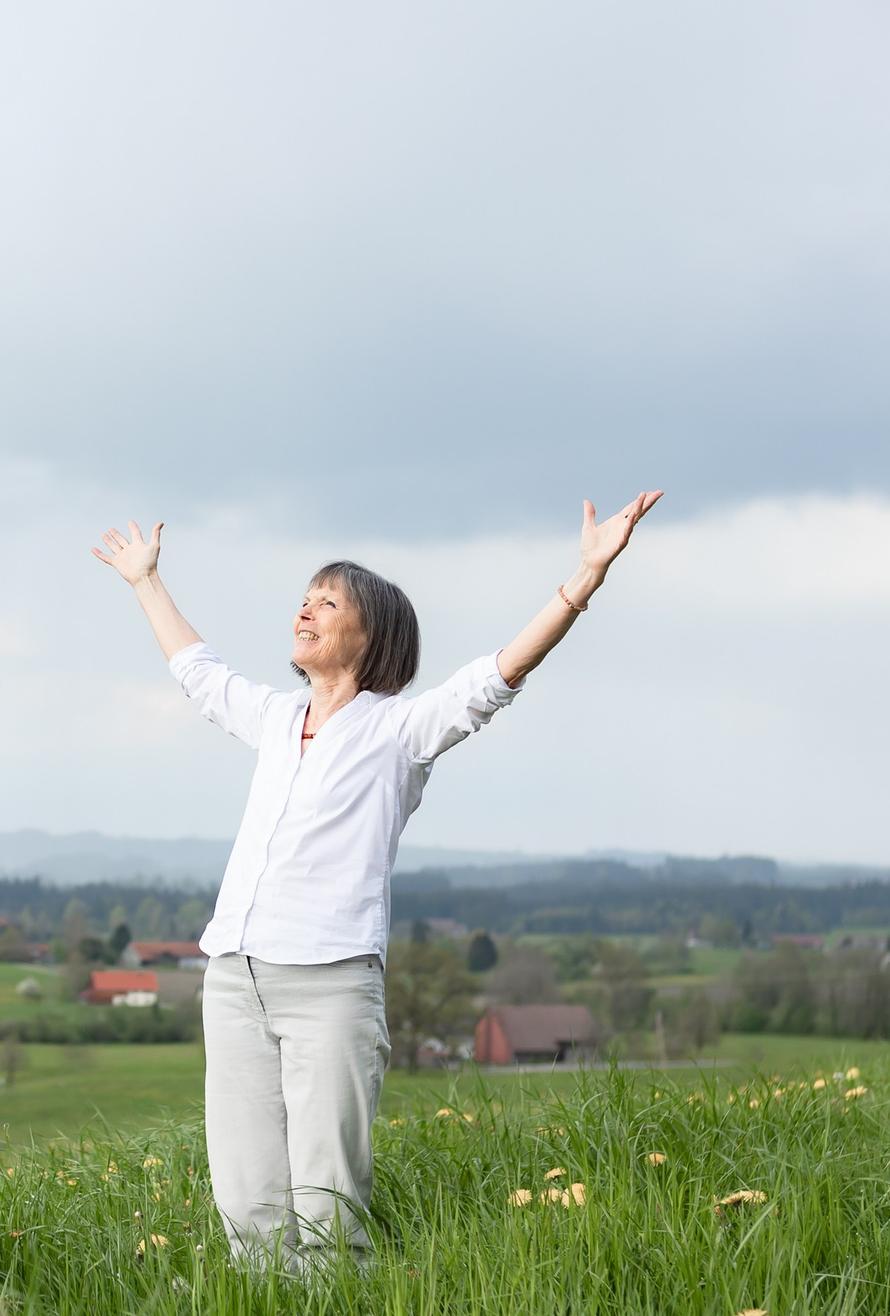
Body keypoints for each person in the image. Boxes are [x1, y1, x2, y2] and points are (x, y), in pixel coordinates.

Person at [91, 493, 662, 1266]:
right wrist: (145, 582)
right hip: (234, 976)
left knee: (327, 1201)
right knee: (245, 1197)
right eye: (304, 598)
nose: (306, 609)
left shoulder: (400, 731)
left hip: (329, 985)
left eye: (328, 601)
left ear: (372, 634)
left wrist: (585, 576)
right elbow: (198, 672)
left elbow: (501, 673)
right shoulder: (273, 717)